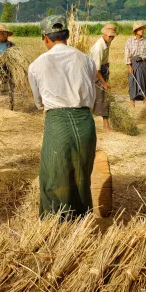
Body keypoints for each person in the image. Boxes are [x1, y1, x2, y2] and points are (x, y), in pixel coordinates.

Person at [28, 15, 97, 220]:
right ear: (67, 35)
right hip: (85, 123)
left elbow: (38, 102)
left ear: (45, 37)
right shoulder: (87, 60)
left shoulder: (37, 65)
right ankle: (82, 226)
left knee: (54, 177)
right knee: (81, 177)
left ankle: (56, 228)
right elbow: (91, 91)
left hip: (58, 122)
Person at [88, 24, 117, 131]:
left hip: (102, 70)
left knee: (101, 97)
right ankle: (105, 125)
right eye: (109, 36)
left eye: (113, 36)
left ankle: (104, 124)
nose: (111, 38)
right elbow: (96, 70)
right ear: (103, 34)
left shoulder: (106, 43)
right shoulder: (99, 48)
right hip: (95, 73)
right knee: (103, 97)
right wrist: (104, 83)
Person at [124, 21, 146, 107]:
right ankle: (132, 101)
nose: (142, 31)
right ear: (135, 31)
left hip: (143, 63)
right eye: (139, 29)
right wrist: (129, 65)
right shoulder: (129, 41)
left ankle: (145, 100)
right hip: (133, 64)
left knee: (145, 81)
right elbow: (127, 54)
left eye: (142, 29)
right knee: (132, 81)